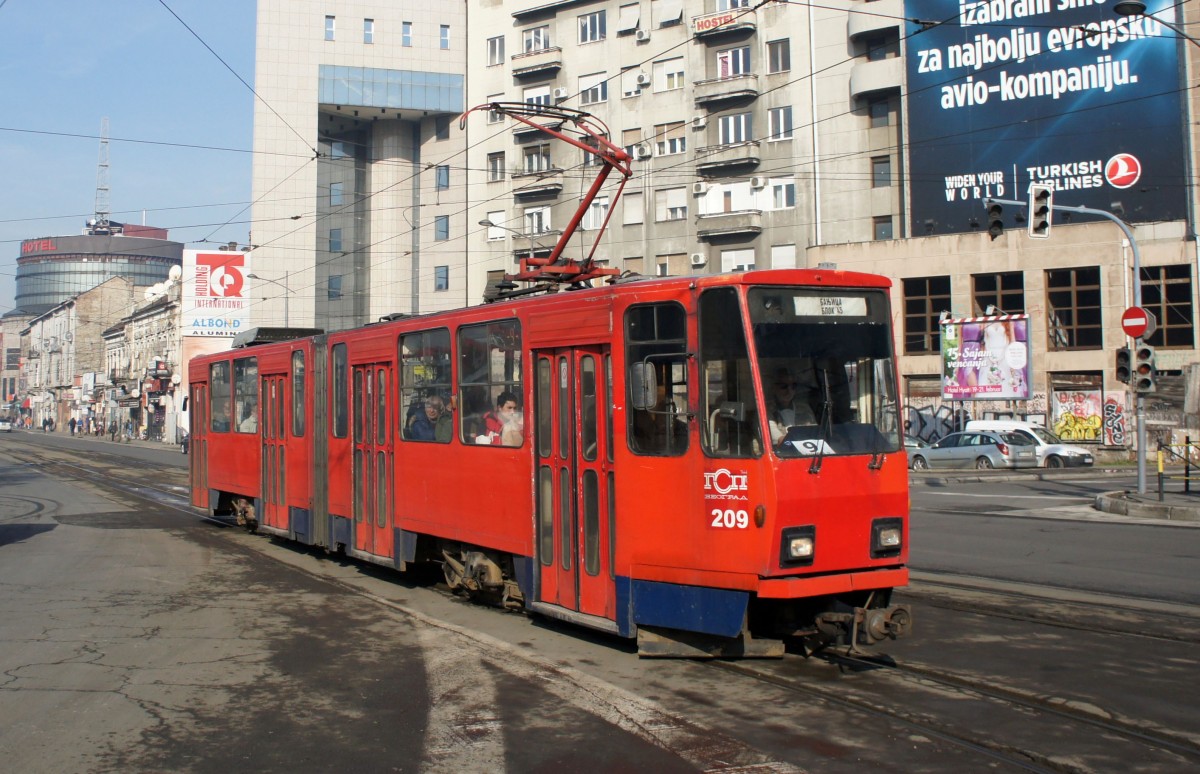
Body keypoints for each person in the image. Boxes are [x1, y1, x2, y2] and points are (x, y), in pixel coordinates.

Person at [767, 367, 817, 445]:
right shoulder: (765, 411)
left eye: (793, 386)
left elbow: (815, 434)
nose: (789, 391)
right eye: (784, 386)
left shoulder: (804, 408)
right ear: (773, 388)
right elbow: (781, 442)